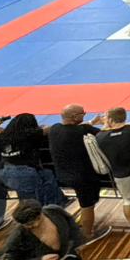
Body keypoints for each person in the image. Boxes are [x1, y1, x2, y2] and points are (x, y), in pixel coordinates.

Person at [46, 104, 107, 243]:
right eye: (82, 113)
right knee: (87, 205)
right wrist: (106, 123)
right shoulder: (83, 130)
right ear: (75, 117)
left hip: (62, 174)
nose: (84, 115)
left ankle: (82, 228)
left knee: (85, 202)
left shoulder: (55, 129)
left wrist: (91, 122)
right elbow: (105, 135)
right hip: (83, 176)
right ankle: (87, 235)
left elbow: (75, 128)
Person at [95, 107, 130, 241]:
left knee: (128, 201)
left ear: (110, 119)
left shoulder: (100, 137)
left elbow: (105, 134)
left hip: (121, 174)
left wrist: (105, 125)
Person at [0, 114, 65, 207]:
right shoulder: (30, 134)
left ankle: (56, 203)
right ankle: (45, 209)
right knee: (32, 201)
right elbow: (49, 129)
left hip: (7, 169)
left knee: (47, 175)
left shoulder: (5, 135)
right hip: (24, 171)